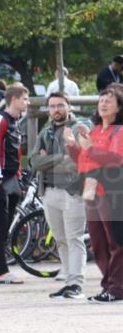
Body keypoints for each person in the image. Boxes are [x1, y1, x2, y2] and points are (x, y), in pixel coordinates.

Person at [64, 86, 123, 303]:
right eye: (102, 99)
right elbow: (85, 161)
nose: (104, 103)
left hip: (111, 190)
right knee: (98, 241)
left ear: (119, 107)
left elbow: (114, 159)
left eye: (110, 100)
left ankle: (116, 288)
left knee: (115, 241)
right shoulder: (96, 130)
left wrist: (88, 148)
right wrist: (73, 147)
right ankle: (109, 285)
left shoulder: (119, 130)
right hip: (90, 187)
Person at [31, 92, 89, 299]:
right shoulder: (45, 130)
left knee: (75, 239)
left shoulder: (80, 127)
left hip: (73, 192)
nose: (56, 110)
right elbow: (34, 161)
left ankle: (76, 284)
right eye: (52, 106)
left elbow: (76, 162)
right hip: (49, 192)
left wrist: (50, 160)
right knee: (61, 239)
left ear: (69, 106)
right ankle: (68, 282)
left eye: (60, 105)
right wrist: (61, 157)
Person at [0, 85, 30, 285]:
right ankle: (1, 271)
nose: (27, 102)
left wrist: (17, 176)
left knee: (4, 225)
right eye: (25, 99)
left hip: (10, 177)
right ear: (14, 99)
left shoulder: (15, 122)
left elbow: (15, 152)